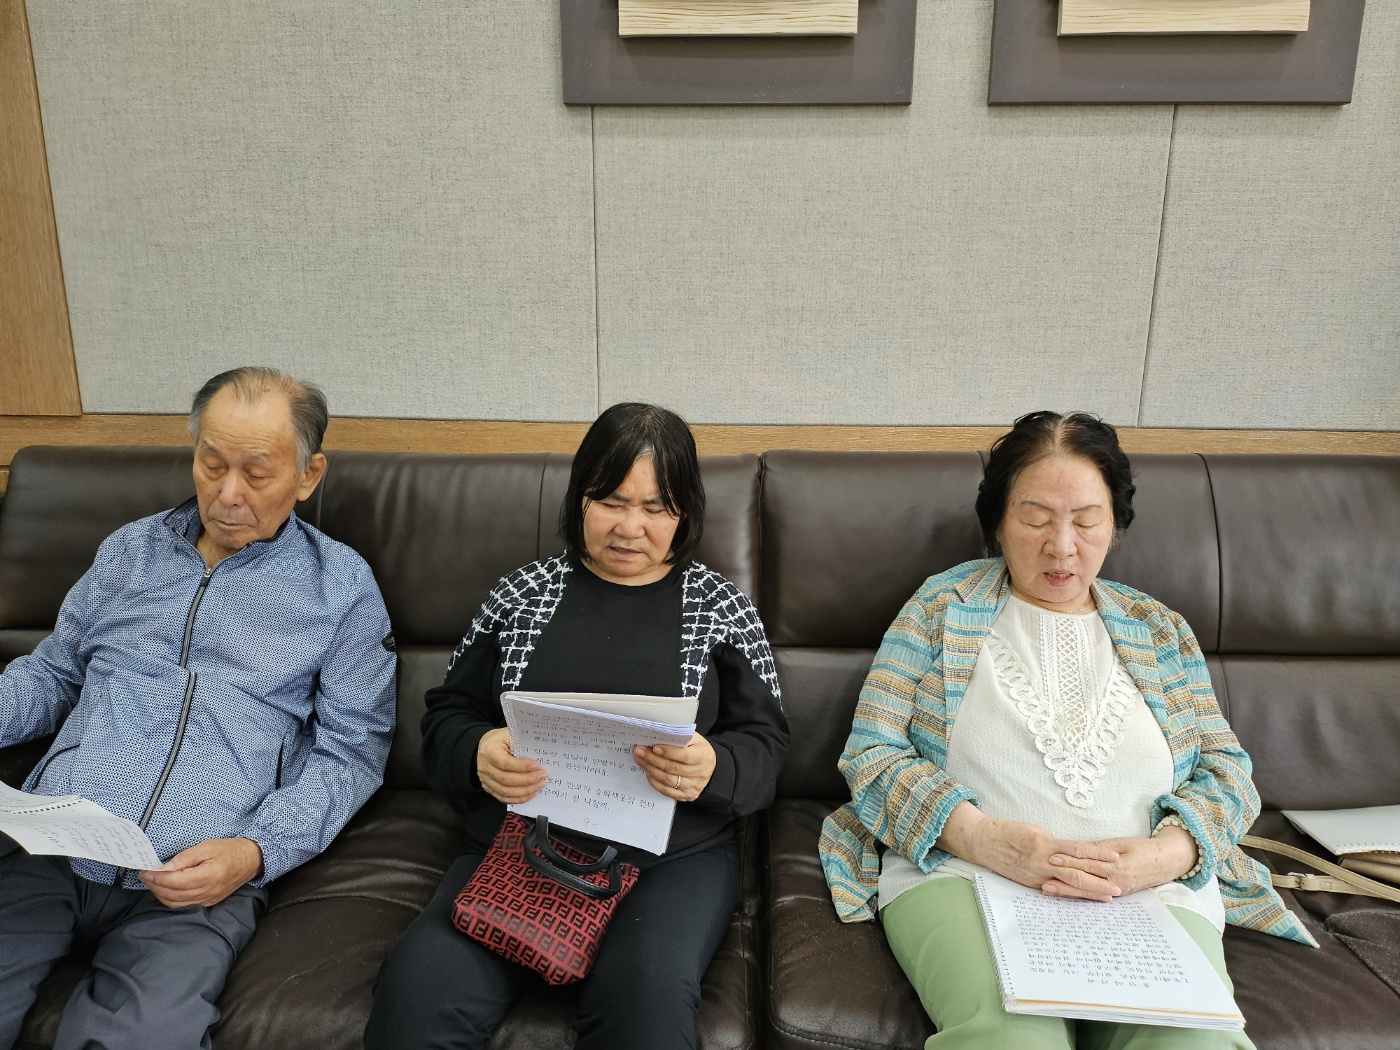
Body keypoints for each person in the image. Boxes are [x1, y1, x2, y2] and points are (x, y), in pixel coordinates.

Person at [819, 411, 1314, 1050]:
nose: (1061, 545)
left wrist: (1165, 856)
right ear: (998, 522)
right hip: (967, 873)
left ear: (1115, 526)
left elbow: (1228, 772)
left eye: (1086, 521)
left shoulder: (1159, 629)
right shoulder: (941, 608)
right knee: (1010, 1040)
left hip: (1147, 888)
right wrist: (984, 839)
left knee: (1193, 1043)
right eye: (1035, 519)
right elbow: (873, 753)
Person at [366, 402, 789, 1050]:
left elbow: (768, 744)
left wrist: (716, 767)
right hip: (520, 846)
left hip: (671, 861)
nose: (630, 527)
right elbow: (446, 715)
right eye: (610, 501)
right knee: (415, 998)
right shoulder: (521, 595)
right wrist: (477, 749)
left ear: (685, 514)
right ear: (578, 497)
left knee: (644, 1012)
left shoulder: (719, 606)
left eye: (656, 508)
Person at [0, 367, 397, 1050]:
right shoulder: (130, 552)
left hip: (196, 879)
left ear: (308, 475)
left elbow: (354, 751)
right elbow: (53, 674)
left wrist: (256, 851)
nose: (227, 494)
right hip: (54, 847)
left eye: (256, 473)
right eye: (212, 464)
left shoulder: (341, 588)